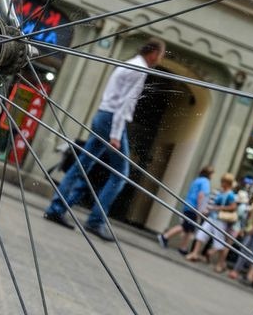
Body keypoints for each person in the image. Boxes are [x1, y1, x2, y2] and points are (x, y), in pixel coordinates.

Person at [43, 38, 166, 241]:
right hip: (112, 121)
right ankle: (95, 220)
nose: (159, 59)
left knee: (83, 166)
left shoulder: (129, 63)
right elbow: (124, 104)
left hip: (102, 115)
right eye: (160, 55)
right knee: (120, 174)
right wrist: (116, 135)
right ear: (153, 53)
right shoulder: (140, 69)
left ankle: (57, 208)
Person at [185, 172, 237, 273]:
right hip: (212, 217)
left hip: (220, 220)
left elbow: (233, 207)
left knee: (219, 242)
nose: (221, 183)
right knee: (201, 234)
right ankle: (195, 253)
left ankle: (220, 263)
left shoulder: (230, 194)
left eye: (223, 181)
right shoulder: (221, 192)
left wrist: (219, 208)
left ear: (227, 183)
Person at [156, 166, 214, 255]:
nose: (212, 176)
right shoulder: (205, 182)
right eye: (212, 174)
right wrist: (200, 210)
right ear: (209, 174)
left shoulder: (197, 180)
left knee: (189, 229)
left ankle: (183, 248)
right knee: (185, 226)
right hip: (194, 208)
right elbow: (201, 195)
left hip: (188, 205)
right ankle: (165, 236)